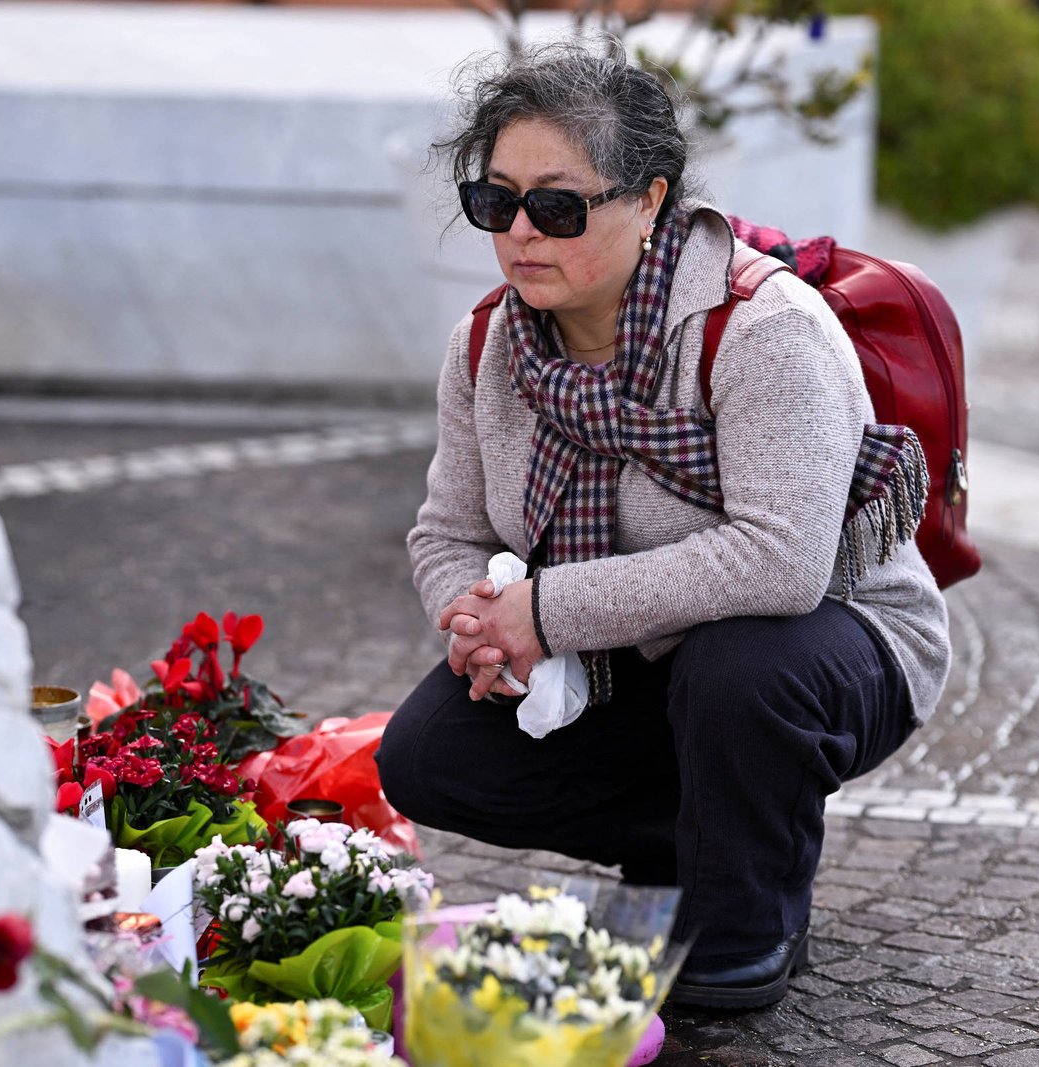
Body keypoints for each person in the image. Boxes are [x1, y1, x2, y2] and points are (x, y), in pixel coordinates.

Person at [375, 38, 951, 1010]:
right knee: (429, 755)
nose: (521, 231)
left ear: (649, 199)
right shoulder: (487, 341)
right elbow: (446, 530)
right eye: (494, 201)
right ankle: (710, 847)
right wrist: (477, 619)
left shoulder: (761, 329)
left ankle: (745, 924)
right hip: (625, 652)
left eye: (556, 204)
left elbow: (782, 563)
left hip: (830, 639)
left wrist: (547, 610)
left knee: (739, 670)